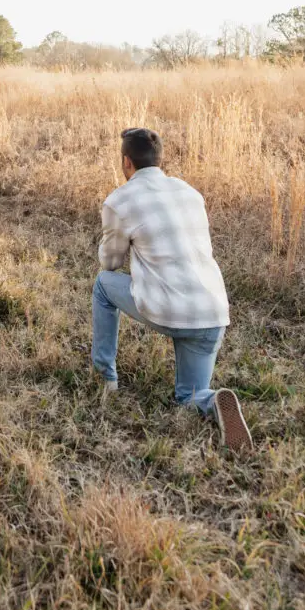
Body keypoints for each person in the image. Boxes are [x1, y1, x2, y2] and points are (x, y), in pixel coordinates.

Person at [92, 127, 253, 452]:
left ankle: (104, 377)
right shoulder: (191, 193)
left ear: (127, 162)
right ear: (160, 160)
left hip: (166, 309)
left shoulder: (119, 201)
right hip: (212, 313)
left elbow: (110, 263)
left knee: (103, 287)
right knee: (189, 396)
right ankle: (211, 401)